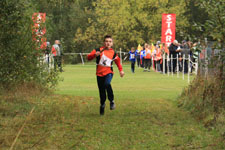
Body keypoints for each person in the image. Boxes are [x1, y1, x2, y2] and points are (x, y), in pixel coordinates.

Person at [87, 35, 125, 115]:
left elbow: (118, 62)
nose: (108, 43)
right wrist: (94, 55)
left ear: (112, 43)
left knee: (107, 84)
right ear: (104, 42)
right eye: (106, 41)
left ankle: (111, 101)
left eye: (110, 41)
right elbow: (88, 58)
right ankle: (102, 104)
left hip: (109, 73)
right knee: (102, 91)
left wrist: (121, 71)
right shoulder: (98, 50)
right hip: (99, 74)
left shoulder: (113, 53)